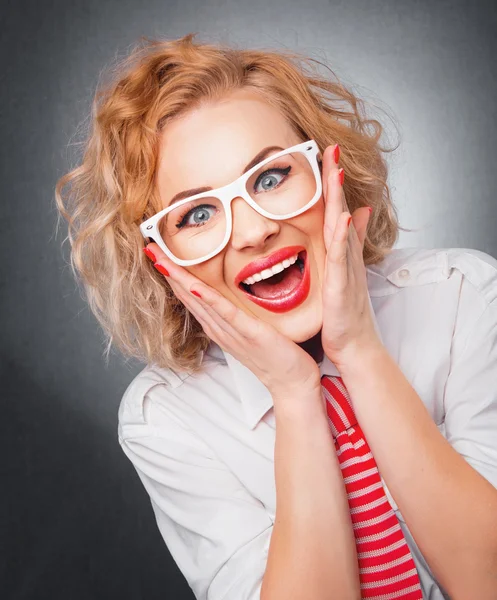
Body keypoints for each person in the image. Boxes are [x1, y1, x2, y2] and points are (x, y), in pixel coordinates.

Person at [55, 33, 497, 600]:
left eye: (271, 177)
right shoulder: (164, 418)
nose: (256, 230)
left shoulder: (464, 298)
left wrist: (359, 351)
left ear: (328, 171)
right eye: (197, 214)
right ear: (161, 261)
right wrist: (294, 394)